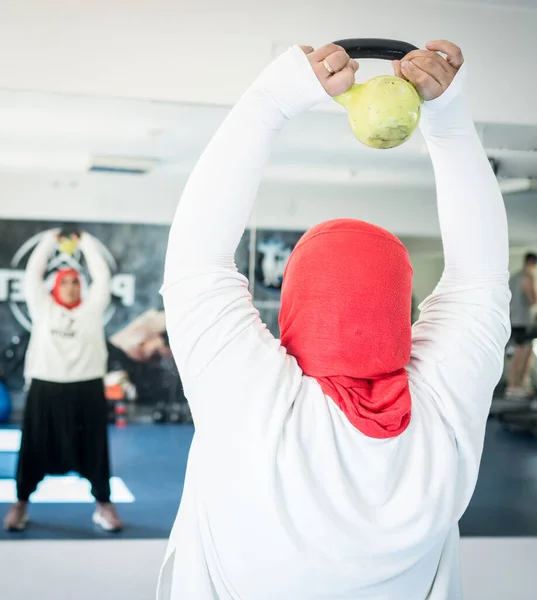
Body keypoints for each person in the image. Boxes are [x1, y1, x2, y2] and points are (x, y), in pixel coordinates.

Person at [158, 41, 510, 599]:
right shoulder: (442, 411)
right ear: (401, 307)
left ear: (298, 300)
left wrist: (270, 100)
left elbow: (194, 261)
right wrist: (447, 119)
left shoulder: (251, 402)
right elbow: (480, 278)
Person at [3, 229, 123, 532]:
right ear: (55, 286)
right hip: (46, 388)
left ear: (81, 286)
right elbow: (33, 275)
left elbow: (102, 276)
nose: (70, 286)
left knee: (95, 451)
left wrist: (86, 242)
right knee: (31, 449)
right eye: (64, 281)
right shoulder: (43, 310)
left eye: (75, 281)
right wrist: (48, 241)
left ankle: (103, 506)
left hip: (87, 389)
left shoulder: (91, 311)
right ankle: (21, 504)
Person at [506, 252, 537, 398]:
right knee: (521, 354)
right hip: (522, 322)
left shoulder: (514, 277)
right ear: (532, 263)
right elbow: (533, 300)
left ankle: (520, 385)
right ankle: (513, 387)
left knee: (525, 352)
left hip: (515, 320)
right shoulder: (527, 276)